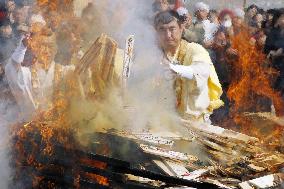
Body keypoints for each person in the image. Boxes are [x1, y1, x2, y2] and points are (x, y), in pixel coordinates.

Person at [154, 10, 223, 123]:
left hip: (195, 123)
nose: (168, 35)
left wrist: (173, 68)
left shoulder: (195, 49)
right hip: (164, 122)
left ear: (181, 28)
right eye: (162, 29)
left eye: (172, 29)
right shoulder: (153, 54)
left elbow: (201, 72)